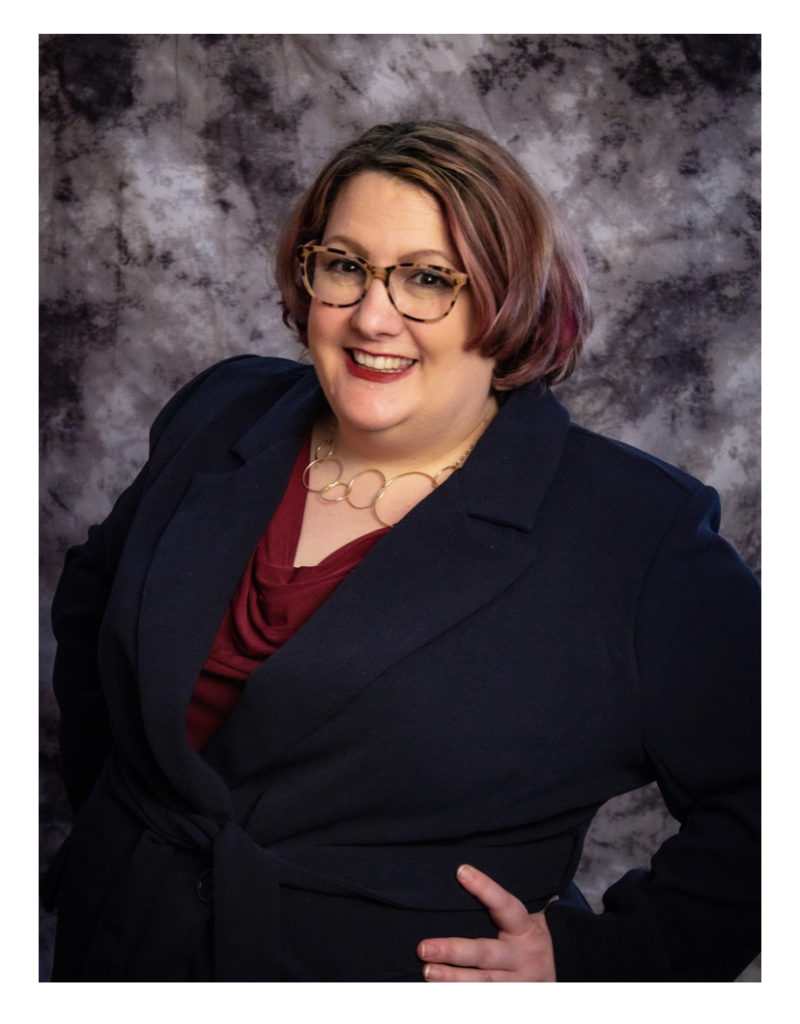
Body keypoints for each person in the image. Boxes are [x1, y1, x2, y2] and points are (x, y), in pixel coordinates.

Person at [44, 121, 760, 982]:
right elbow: (94, 604)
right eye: (344, 265)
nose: (371, 317)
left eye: (428, 278)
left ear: (508, 298)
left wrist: (601, 966)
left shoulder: (639, 537)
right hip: (118, 954)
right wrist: (116, 830)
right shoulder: (222, 411)